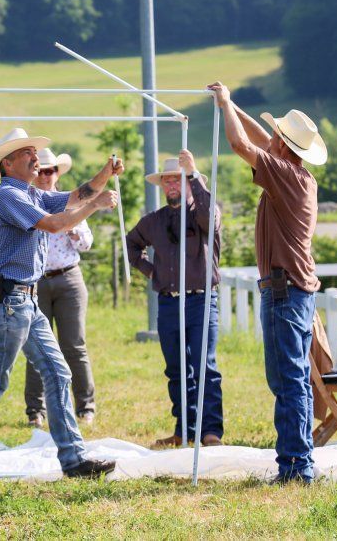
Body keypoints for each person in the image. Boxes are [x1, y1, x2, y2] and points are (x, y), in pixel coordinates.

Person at [0, 129, 122, 480]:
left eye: (34, 150)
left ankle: (73, 460)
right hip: (11, 301)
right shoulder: (9, 196)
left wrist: (105, 173)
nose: (35, 156)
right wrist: (95, 206)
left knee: (58, 373)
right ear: (7, 164)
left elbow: (75, 195)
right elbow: (57, 224)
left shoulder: (29, 193)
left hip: (25, 301)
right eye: (27, 152)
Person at [207, 83, 327, 485]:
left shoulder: (282, 173)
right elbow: (259, 141)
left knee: (287, 381)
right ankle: (299, 461)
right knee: (293, 380)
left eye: (276, 136)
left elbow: (241, 145)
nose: (270, 139)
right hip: (293, 291)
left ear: (283, 145)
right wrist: (231, 104)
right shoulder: (297, 174)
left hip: (283, 291)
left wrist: (225, 106)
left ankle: (296, 467)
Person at [126, 152, 223, 449]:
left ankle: (210, 432)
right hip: (169, 303)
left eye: (177, 180)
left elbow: (210, 219)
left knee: (204, 366)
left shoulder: (205, 212)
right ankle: (184, 429)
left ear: (189, 183)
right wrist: (151, 271)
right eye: (167, 180)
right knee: (177, 370)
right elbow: (131, 244)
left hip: (201, 300)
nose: (170, 185)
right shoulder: (154, 221)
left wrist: (193, 175)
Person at [24, 148, 96, 429]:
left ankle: (85, 407)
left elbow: (86, 244)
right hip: (37, 280)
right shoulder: (27, 203)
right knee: (36, 347)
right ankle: (35, 411)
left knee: (74, 345)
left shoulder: (71, 205)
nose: (45, 176)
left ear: (57, 174)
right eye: (40, 170)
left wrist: (71, 227)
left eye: (50, 170)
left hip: (68, 279)